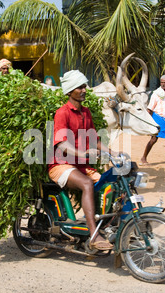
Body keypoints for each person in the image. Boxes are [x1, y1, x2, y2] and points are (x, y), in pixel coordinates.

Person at [48, 70, 119, 251]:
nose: (84, 90)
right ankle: (94, 234)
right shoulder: (62, 113)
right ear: (70, 91)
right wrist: (83, 154)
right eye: (79, 87)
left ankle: (110, 226)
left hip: (80, 166)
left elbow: (94, 139)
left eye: (84, 86)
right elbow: (62, 144)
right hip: (60, 166)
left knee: (113, 185)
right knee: (87, 184)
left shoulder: (85, 112)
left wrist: (113, 153)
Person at [141, 75, 165, 167]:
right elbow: (150, 109)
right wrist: (147, 122)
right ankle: (143, 158)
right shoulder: (156, 94)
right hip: (158, 119)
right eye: (161, 82)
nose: (163, 84)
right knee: (153, 139)